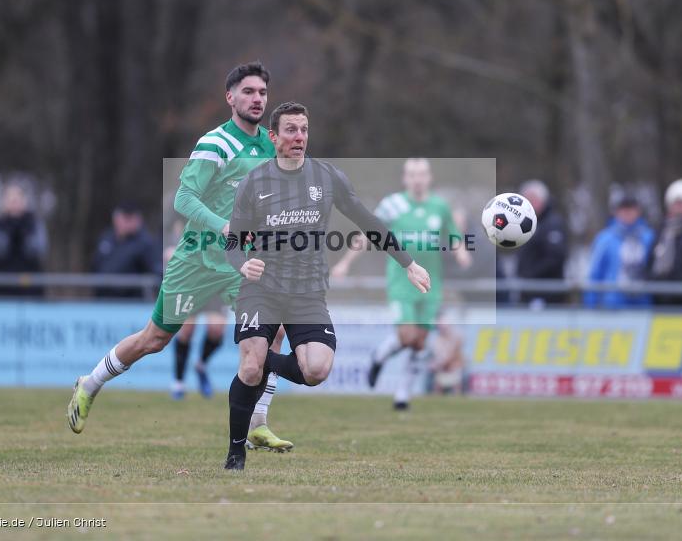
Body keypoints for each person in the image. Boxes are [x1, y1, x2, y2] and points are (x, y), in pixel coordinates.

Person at [68, 62, 292, 452]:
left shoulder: (267, 147)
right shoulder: (214, 144)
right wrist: (223, 225)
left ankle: (258, 422)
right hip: (198, 261)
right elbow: (184, 199)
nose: (257, 99)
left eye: (262, 93)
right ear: (231, 97)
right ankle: (89, 384)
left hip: (243, 264)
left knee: (273, 330)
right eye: (249, 92)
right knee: (153, 339)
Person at [222, 101, 431, 470]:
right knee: (251, 368)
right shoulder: (254, 182)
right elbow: (233, 243)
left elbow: (367, 220)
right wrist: (243, 264)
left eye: (303, 129)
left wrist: (408, 262)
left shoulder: (327, 177)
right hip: (262, 290)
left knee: (315, 371)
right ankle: (235, 451)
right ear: (273, 137)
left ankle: (258, 362)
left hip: (307, 292)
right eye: (290, 130)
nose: (299, 136)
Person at [331, 158, 470, 410]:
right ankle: (379, 356)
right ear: (405, 179)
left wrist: (461, 251)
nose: (417, 179)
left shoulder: (439, 206)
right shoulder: (393, 205)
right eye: (412, 174)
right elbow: (368, 232)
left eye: (422, 174)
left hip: (431, 283)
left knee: (420, 341)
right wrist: (346, 262)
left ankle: (402, 395)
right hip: (401, 282)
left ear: (429, 178)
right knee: (407, 336)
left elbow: (453, 235)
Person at [583, 193, 654, 308]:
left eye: (631, 209)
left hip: (643, 307)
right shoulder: (605, 239)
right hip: (613, 308)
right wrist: (590, 306)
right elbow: (595, 274)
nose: (627, 213)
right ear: (617, 212)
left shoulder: (649, 238)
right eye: (624, 209)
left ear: (638, 211)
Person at [0, 183, 47, 296]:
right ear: (4, 202)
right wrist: (7, 235)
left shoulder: (33, 223)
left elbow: (39, 250)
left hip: (30, 285)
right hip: (1, 285)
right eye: (10, 200)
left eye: (17, 199)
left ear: (24, 201)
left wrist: (24, 235)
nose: (14, 203)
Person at [91, 202, 161, 298]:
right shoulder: (106, 238)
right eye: (125, 218)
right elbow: (95, 265)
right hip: (103, 299)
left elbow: (155, 271)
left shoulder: (145, 243)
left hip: (130, 303)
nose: (128, 223)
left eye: (131, 219)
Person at [514, 180, 567, 306]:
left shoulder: (552, 224)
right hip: (527, 292)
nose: (529, 204)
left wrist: (530, 275)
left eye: (532, 200)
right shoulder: (525, 223)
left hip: (547, 294)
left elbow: (556, 258)